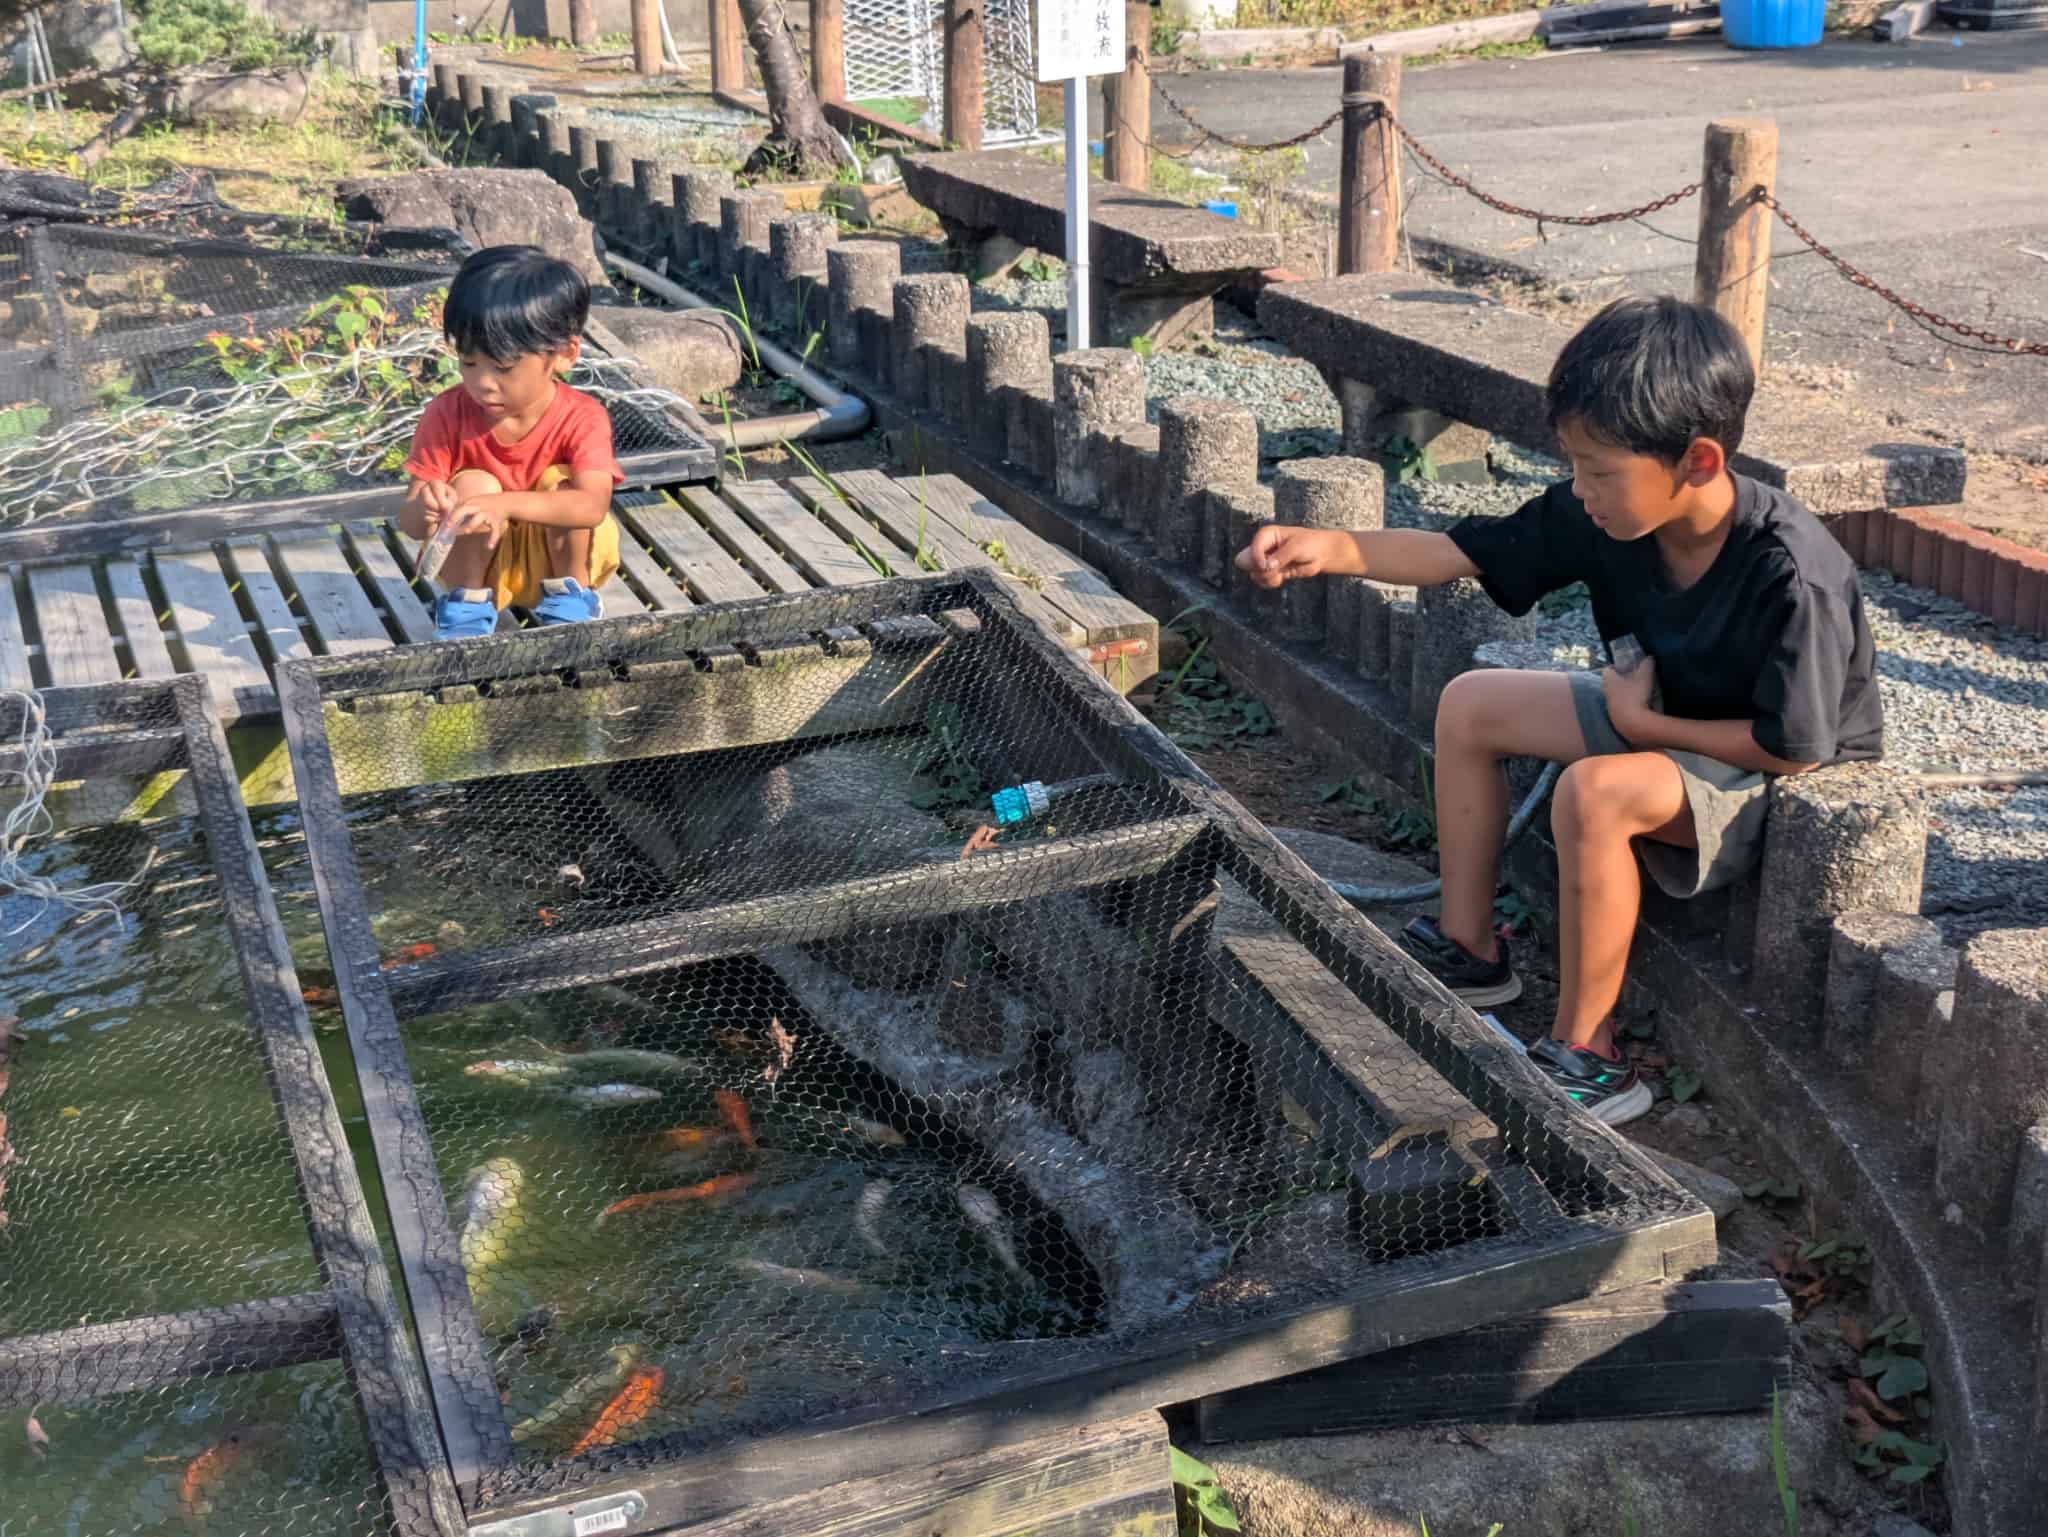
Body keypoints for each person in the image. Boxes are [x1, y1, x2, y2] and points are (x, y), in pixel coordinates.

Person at [1235, 296, 1882, 1127]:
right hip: (1664, 715)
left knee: (1594, 792)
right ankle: (1471, 948)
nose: (1580, 489)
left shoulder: (1793, 572)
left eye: (1598, 470)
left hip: (1770, 773)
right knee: (1473, 705)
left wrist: (1646, 729)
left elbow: (1792, 747)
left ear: (1699, 461)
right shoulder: (1607, 512)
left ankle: (1590, 1053)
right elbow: (1462, 552)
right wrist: (1335, 549)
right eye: (1573, 463)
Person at [400, 245, 625, 641]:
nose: (482, 382)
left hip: (554, 560)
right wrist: (429, 505)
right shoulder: (446, 413)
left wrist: (504, 505)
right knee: (472, 486)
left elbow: (592, 506)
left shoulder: (582, 416)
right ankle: (467, 605)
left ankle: (571, 596)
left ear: (563, 354)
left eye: (503, 368)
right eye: (469, 363)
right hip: (482, 565)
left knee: (563, 483)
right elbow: (410, 524)